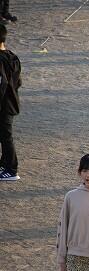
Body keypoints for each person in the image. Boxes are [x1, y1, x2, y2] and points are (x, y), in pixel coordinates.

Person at [0, 23, 21, 182]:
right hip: (11, 103)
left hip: (3, 105)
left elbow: (2, 83)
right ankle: (4, 163)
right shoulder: (13, 56)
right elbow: (18, 81)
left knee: (6, 137)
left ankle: (11, 170)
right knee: (3, 135)